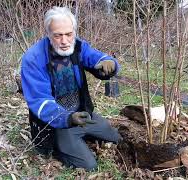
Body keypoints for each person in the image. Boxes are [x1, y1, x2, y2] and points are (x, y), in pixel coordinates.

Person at [21, 6, 121, 171]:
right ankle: (57, 147)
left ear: (74, 31)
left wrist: (110, 63)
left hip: (82, 114)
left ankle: (80, 136)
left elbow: (96, 57)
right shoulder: (34, 59)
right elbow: (40, 101)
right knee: (89, 165)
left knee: (116, 137)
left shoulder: (78, 46)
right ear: (48, 34)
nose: (65, 41)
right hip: (56, 123)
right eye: (58, 35)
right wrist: (68, 118)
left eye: (69, 34)